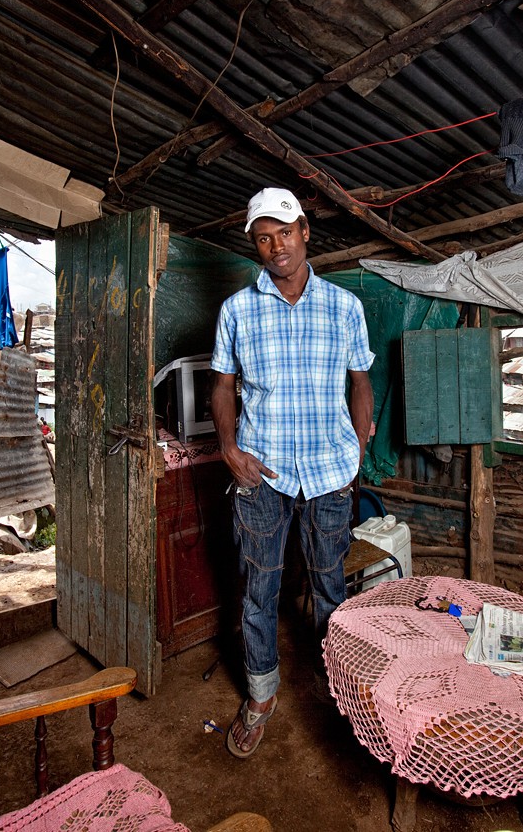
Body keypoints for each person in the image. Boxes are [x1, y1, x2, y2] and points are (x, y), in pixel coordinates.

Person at [211, 187, 374, 758]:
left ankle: (341, 691)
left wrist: (356, 452)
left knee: (331, 585)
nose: (276, 246)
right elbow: (223, 385)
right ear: (254, 245)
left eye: (284, 232)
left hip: (329, 471)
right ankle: (261, 695)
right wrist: (229, 447)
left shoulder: (344, 307)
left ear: (305, 231)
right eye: (264, 238)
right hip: (262, 473)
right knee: (259, 589)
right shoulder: (236, 310)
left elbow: (360, 382)